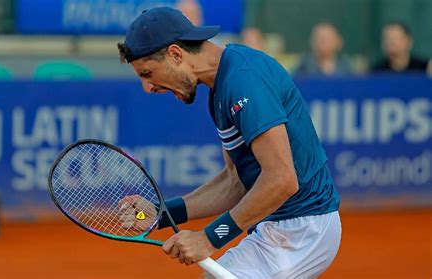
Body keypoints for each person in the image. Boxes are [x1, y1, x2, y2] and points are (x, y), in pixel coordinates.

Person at [117, 7, 341, 278]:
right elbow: (235, 182)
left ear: (176, 54)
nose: (147, 88)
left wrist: (209, 239)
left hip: (300, 231)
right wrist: (159, 214)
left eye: (148, 73)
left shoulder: (244, 81)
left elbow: (282, 178)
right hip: (280, 228)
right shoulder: (221, 89)